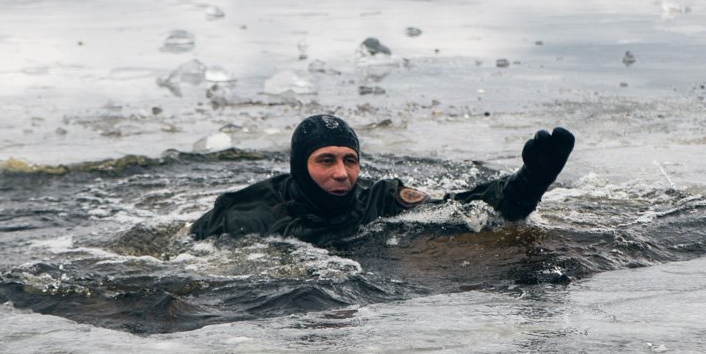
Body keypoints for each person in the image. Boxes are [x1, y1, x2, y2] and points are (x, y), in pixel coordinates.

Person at [190, 114, 575, 245]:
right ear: (299, 166)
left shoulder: (379, 199)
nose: (342, 173)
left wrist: (529, 182)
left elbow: (468, 210)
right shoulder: (245, 215)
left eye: (350, 160)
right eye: (326, 160)